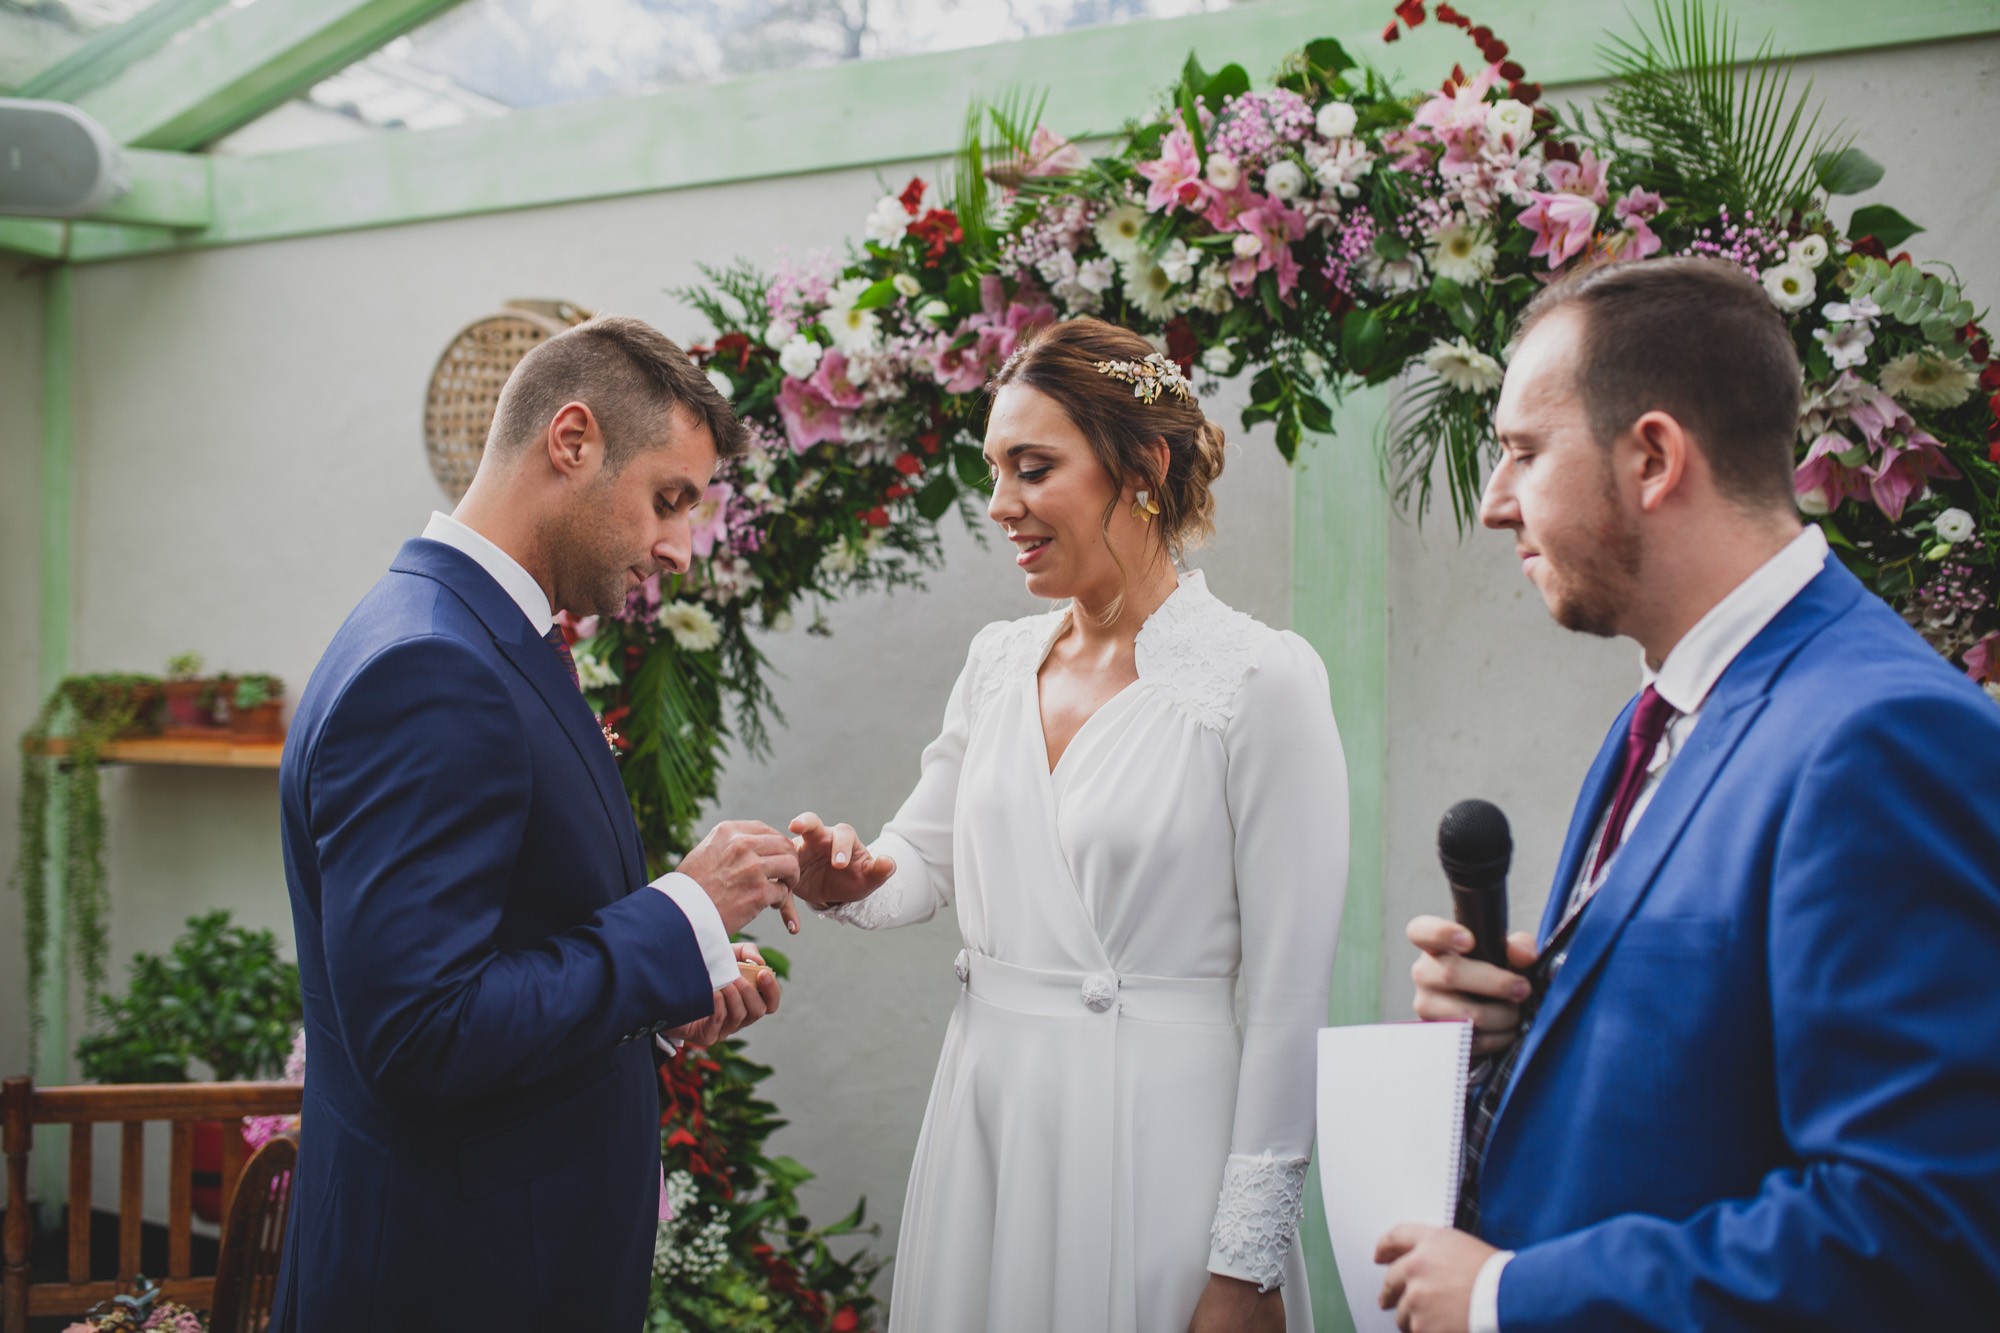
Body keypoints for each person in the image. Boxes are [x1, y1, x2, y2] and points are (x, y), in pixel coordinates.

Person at [1377, 257, 2000, 1332]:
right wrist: (1517, 1033)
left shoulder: (1880, 736)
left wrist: (1504, 1295)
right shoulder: (1658, 712)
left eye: (1522, 451)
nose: (1493, 504)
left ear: (1652, 456)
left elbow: (1916, 1226)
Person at [272, 316, 888, 1331]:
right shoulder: (430, 667)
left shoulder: (481, 634)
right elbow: (421, 1032)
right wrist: (684, 907)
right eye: (670, 497)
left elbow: (505, 944)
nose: (681, 548)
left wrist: (671, 975)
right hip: (452, 1282)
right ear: (572, 441)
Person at [792, 317, 1349, 1333]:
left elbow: (1287, 999)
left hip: (1152, 1131)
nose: (999, 504)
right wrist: (852, 877)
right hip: (991, 1118)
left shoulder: (1260, 680)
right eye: (994, 470)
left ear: (1141, 464)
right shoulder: (997, 660)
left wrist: (1243, 1263)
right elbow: (918, 859)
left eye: (1032, 467)